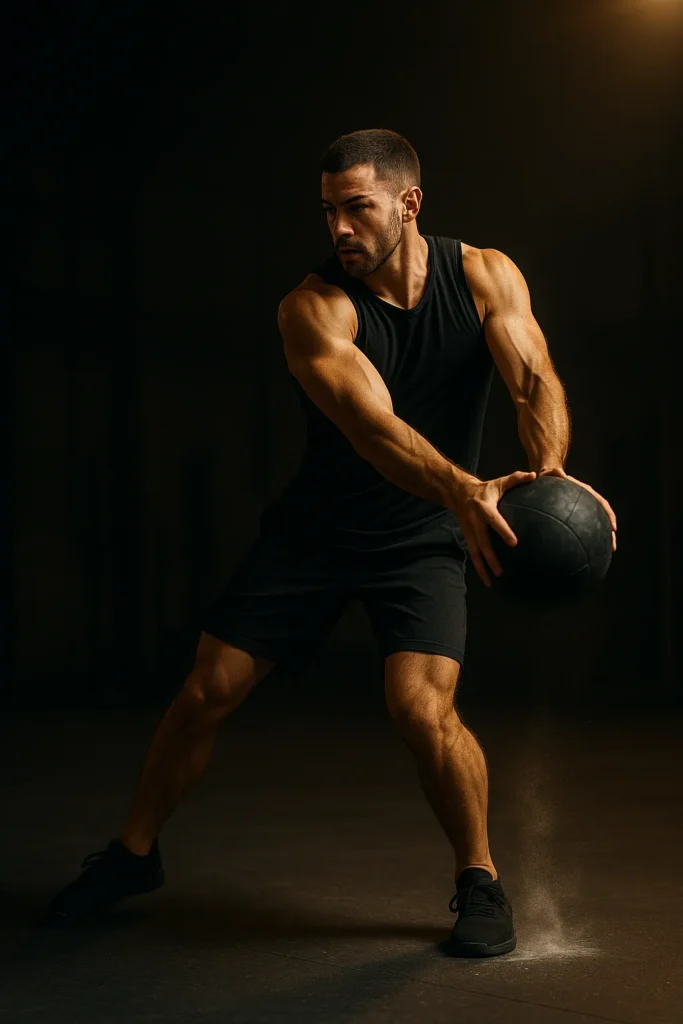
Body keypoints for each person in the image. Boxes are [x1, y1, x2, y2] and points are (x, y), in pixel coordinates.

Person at [41, 129, 617, 957]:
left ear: (408, 204)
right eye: (328, 212)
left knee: (422, 708)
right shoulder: (312, 308)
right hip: (319, 530)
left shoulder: (484, 273)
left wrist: (550, 478)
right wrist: (467, 490)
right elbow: (373, 427)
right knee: (208, 689)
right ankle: (133, 855)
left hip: (420, 535)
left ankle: (478, 880)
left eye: (358, 209)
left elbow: (531, 379)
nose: (339, 229)